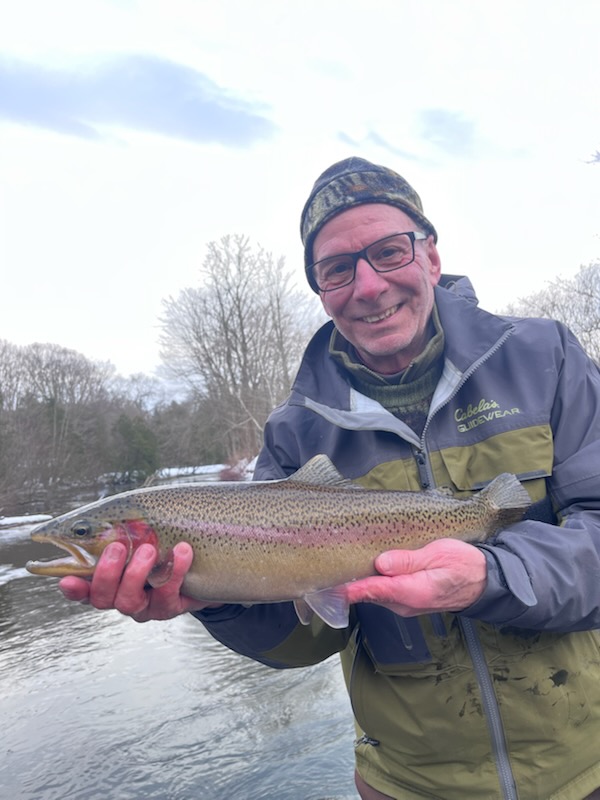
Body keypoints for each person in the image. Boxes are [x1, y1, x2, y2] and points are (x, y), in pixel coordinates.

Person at [59, 157, 600, 800]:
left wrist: (493, 574)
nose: (367, 286)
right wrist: (217, 598)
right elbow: (306, 637)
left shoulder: (548, 358)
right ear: (320, 288)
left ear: (430, 257)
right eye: (337, 269)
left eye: (389, 252)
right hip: (408, 784)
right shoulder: (294, 432)